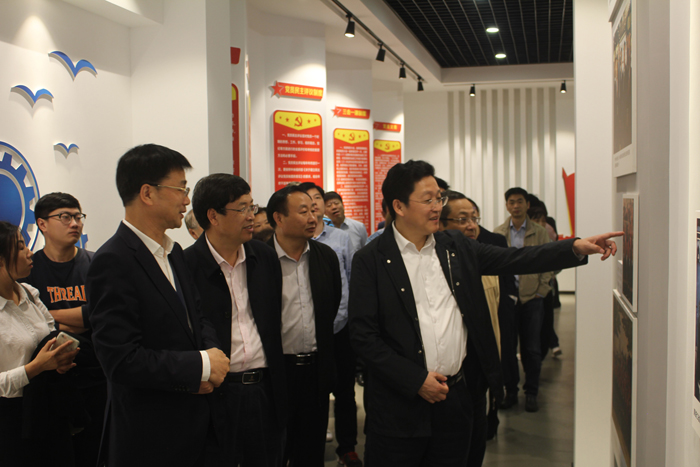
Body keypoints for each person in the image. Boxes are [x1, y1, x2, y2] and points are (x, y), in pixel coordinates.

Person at [348, 160, 621, 466]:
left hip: (454, 400)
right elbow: (363, 337)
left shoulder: (455, 247)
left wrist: (574, 248)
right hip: (399, 409)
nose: (437, 207)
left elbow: (516, 258)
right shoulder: (370, 260)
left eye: (439, 198)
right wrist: (416, 380)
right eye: (428, 200)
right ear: (399, 206)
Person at [87, 144, 230, 467]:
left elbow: (197, 317)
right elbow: (120, 360)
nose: (186, 201)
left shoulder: (174, 253)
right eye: (181, 189)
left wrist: (211, 355)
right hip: (151, 434)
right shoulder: (113, 260)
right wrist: (200, 365)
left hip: (198, 426)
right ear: (148, 193)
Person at [184, 174, 286, 467]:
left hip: (264, 389)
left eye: (251, 206)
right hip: (216, 392)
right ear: (213, 216)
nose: (251, 216)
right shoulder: (186, 266)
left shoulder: (264, 257)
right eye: (242, 208)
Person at [24, 192, 106, 467]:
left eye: (78, 217)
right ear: (42, 224)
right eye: (65, 217)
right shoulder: (30, 270)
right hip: (52, 384)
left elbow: (99, 314)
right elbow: (30, 324)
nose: (75, 223)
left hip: (96, 377)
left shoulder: (96, 264)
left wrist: (48, 316)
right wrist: (79, 318)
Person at [266, 185, 342, 467]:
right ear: (278, 218)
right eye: (303, 212)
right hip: (275, 372)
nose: (313, 217)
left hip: (315, 371)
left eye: (313, 210)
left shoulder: (326, 256)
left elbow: (331, 306)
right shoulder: (259, 259)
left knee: (311, 453)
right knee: (274, 450)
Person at [0, 221, 80, 466]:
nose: (29, 253)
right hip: (11, 420)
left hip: (47, 409)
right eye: (20, 247)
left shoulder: (29, 293)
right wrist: (37, 367)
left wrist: (59, 361)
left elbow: (51, 333)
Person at [300, 182, 361, 467]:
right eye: (307, 201)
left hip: (341, 327)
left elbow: (352, 277)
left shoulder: (341, 238)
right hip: (309, 331)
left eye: (317, 199)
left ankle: (347, 447)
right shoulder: (295, 239)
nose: (313, 205)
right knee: (314, 393)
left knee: (345, 391)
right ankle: (311, 447)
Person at [439, 190, 502, 466]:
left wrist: (575, 248)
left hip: (477, 372)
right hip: (445, 380)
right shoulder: (432, 267)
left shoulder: (482, 258)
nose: (471, 226)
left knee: (475, 446)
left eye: (474, 219)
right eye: (462, 219)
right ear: (440, 225)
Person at [494, 187, 552, 412]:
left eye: (520, 201)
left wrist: (542, 290)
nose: (515, 206)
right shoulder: (499, 233)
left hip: (532, 298)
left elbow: (548, 262)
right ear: (506, 205)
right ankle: (511, 391)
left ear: (527, 204)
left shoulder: (540, 232)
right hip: (508, 299)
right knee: (508, 348)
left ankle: (531, 393)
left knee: (532, 349)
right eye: (511, 202)